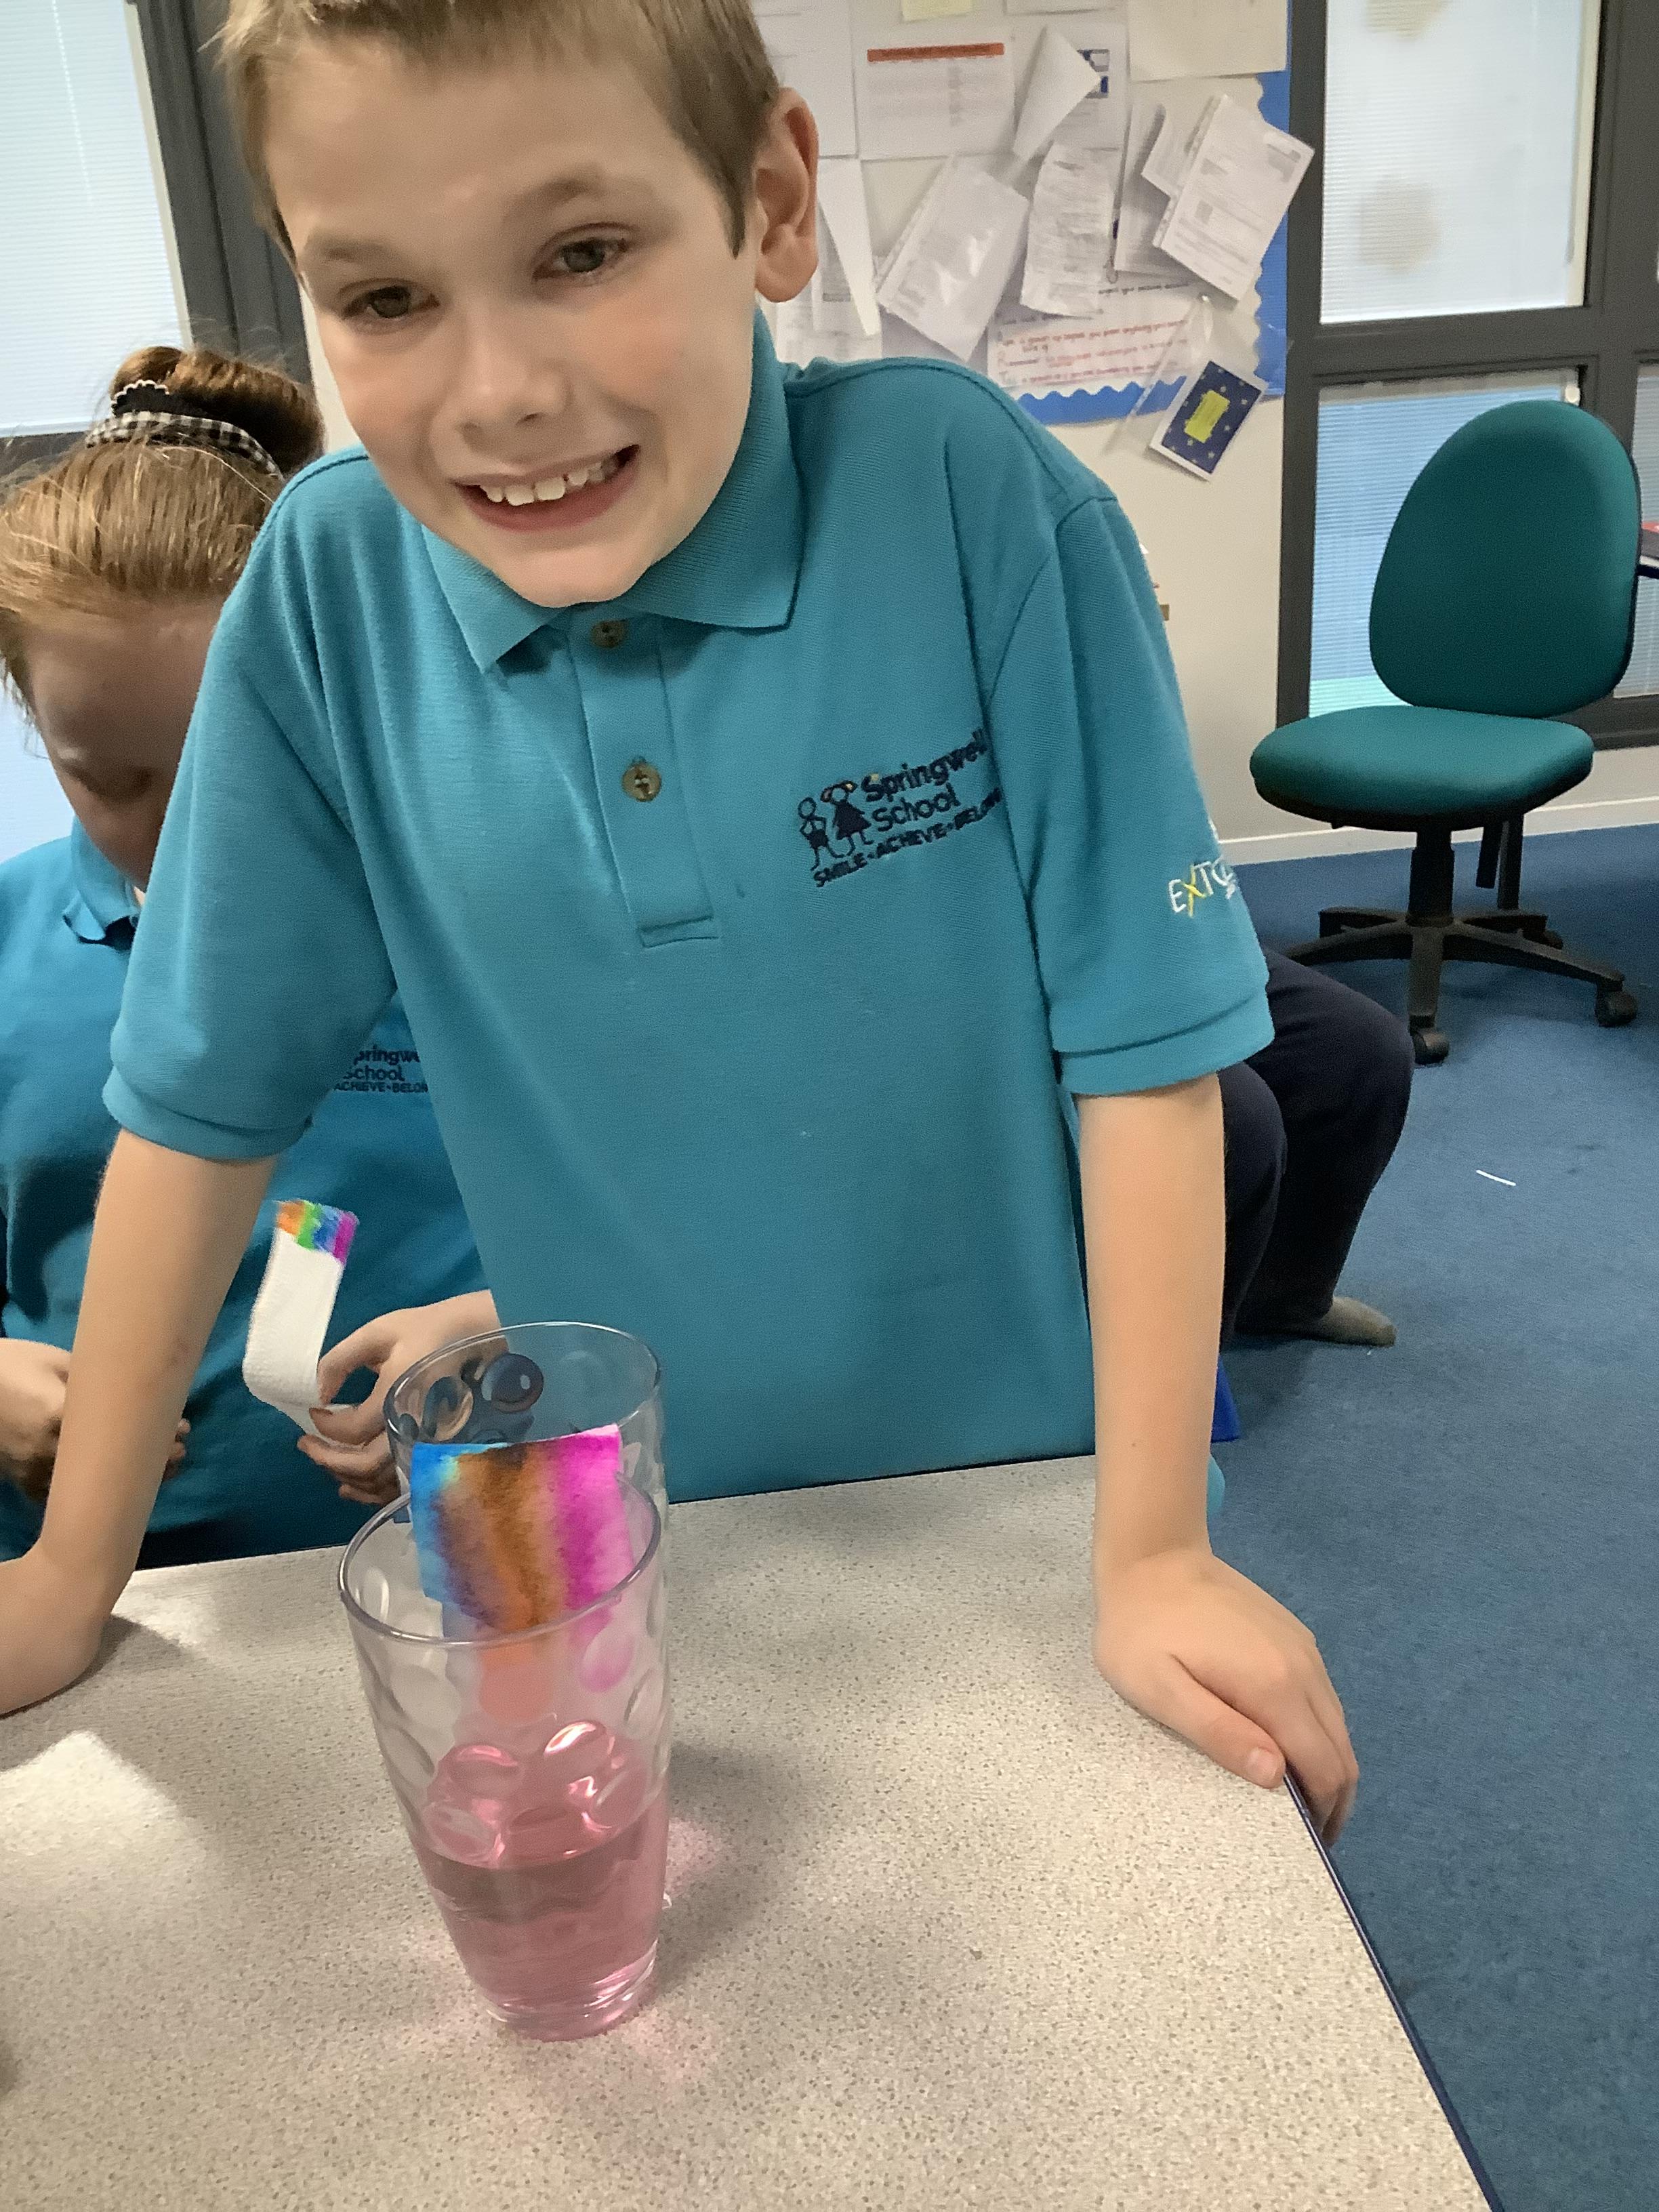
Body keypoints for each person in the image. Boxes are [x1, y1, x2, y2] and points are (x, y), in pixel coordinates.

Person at [0, 0, 1356, 1840]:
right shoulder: (328, 590)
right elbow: (200, 1103)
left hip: (1037, 1497)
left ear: (769, 205)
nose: (499, 392)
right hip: (622, 1544)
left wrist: (1155, 1549)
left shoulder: (971, 502)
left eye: (581, 253)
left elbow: (1146, 1061)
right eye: (385, 297)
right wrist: (70, 1575)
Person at [0, 343, 486, 1565]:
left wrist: (502, 1322)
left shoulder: (476, 933)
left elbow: (648, 1224)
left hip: (468, 1563)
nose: (189, 834)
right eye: (111, 778)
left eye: (236, 766)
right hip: (120, 1598)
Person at [1221, 952, 1415, 1349]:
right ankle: (1183, 1358)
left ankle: (1282, 1299)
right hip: (1086, 982)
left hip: (1176, 942)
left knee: (1363, 1045)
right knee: (1241, 1122)